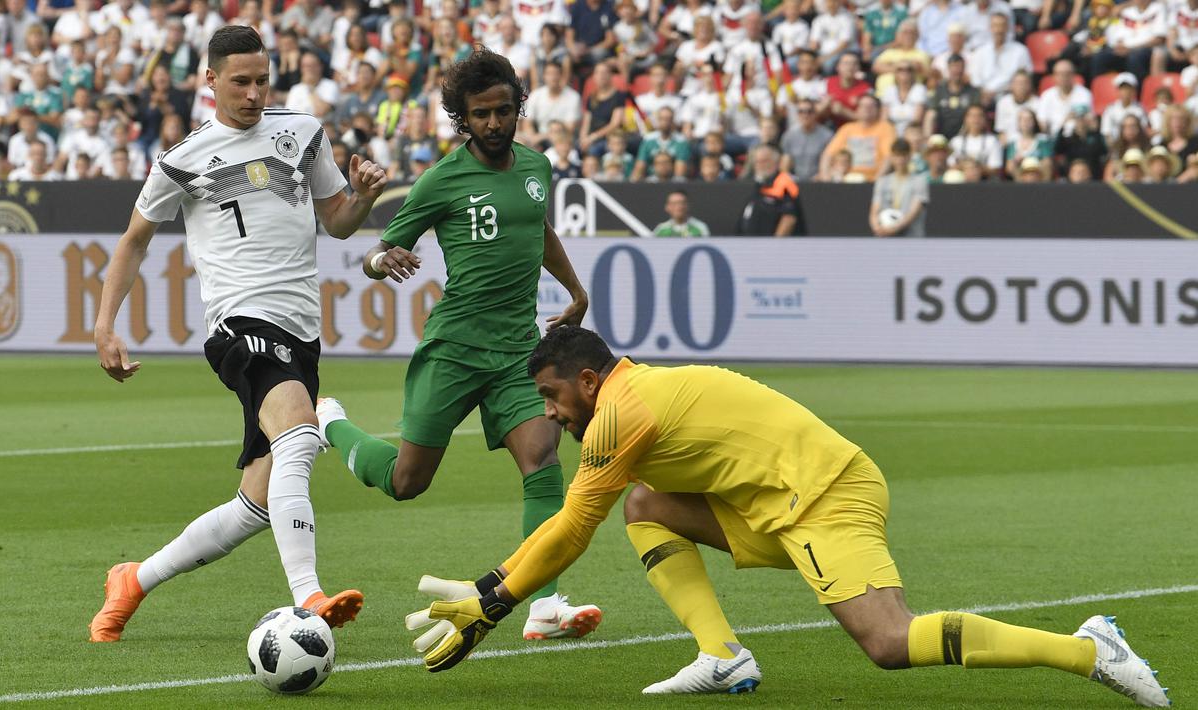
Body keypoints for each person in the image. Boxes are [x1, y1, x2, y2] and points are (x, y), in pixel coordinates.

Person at [402, 325, 1173, 709]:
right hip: (777, 504)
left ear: (589, 380)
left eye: (552, 396)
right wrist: (491, 586)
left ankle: (1087, 649)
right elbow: (584, 517)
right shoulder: (626, 402)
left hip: (825, 494)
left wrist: (491, 600)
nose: (548, 412)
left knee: (888, 642)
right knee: (645, 506)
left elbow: (570, 530)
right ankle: (723, 655)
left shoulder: (617, 416)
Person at [87, 25, 387, 643]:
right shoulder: (183, 159)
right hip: (240, 324)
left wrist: (360, 198)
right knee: (302, 435)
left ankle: (133, 580)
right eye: (240, 82)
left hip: (300, 331)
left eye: (262, 80)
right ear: (211, 80)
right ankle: (309, 598)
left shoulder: (302, 134)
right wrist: (104, 325)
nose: (253, 94)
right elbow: (133, 240)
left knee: (255, 504)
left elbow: (338, 223)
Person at [313, 48, 603, 642]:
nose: (494, 124)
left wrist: (574, 288)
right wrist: (378, 257)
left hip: (518, 352)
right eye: (481, 115)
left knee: (544, 461)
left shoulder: (536, 167)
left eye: (503, 111)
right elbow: (375, 250)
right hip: (454, 348)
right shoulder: (442, 179)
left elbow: (538, 227)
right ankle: (332, 425)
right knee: (406, 482)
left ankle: (544, 608)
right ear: (461, 118)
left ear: (518, 107)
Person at [869, 138, 927, 236]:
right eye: (897, 156)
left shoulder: (919, 181)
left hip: (911, 237)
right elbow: (875, 209)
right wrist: (876, 227)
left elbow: (914, 211)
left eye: (903, 155)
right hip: (885, 236)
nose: (900, 160)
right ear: (891, 157)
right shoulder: (882, 181)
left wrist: (894, 228)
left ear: (909, 156)